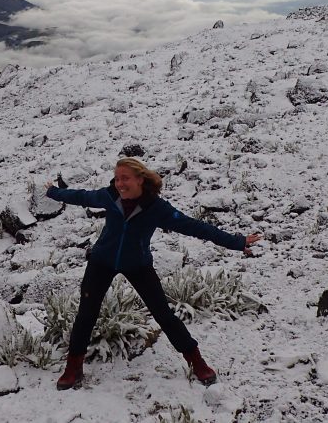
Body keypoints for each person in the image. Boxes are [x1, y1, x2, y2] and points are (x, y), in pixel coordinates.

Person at [44, 156, 262, 390]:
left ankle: (196, 361)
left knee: (164, 315)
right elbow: (81, 196)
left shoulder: (157, 209)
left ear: (140, 179)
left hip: (138, 264)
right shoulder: (108, 196)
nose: (119, 184)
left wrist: (236, 242)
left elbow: (194, 227)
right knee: (86, 315)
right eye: (117, 178)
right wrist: (54, 193)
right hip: (101, 262)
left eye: (125, 178)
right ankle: (73, 367)